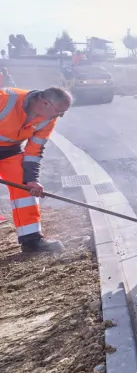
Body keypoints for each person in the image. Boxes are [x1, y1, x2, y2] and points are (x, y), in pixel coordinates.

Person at [0, 86, 72, 252]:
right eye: (59, 111)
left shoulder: (48, 119)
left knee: (25, 188)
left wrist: (32, 179)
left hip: (10, 152)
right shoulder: (5, 99)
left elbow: (34, 151)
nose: (59, 116)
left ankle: (31, 240)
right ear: (45, 103)